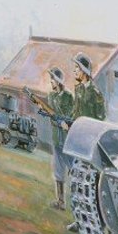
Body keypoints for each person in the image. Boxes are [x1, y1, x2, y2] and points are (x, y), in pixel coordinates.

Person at [65, 53, 106, 232]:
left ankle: (96, 222)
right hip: (79, 142)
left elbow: (101, 119)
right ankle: (79, 220)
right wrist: (68, 122)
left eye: (77, 68)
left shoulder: (95, 93)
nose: (74, 71)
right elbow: (75, 113)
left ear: (84, 71)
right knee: (77, 182)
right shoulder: (79, 90)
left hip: (90, 145)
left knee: (90, 185)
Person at [46, 67, 74, 210]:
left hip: (68, 140)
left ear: (58, 81)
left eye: (52, 79)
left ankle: (77, 201)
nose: (51, 82)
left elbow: (71, 115)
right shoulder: (51, 96)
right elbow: (51, 116)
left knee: (73, 170)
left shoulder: (69, 97)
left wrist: (63, 121)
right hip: (57, 139)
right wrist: (58, 121)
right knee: (58, 170)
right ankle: (61, 201)